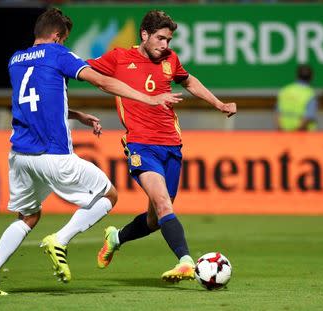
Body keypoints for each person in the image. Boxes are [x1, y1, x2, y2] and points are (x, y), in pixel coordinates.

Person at [0, 7, 181, 296]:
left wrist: (75, 114)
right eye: (65, 38)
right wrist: (149, 98)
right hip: (53, 153)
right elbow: (101, 80)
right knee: (108, 195)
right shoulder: (59, 54)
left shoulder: (16, 60)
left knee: (28, 217)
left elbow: (33, 101)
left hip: (20, 156)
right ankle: (60, 239)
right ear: (58, 36)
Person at [87, 10, 237, 283]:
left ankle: (116, 237)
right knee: (164, 205)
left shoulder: (171, 59)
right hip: (141, 146)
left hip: (172, 146)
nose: (165, 45)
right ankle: (186, 261)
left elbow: (188, 80)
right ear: (144, 35)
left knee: (156, 219)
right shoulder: (119, 57)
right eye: (160, 38)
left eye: (168, 39)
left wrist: (219, 104)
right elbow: (81, 70)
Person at [276, 64, 318, 131]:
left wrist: (281, 130)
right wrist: (296, 132)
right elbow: (308, 116)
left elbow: (278, 114)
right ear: (312, 77)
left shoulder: (285, 90)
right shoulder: (310, 94)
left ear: (296, 76)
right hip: (303, 134)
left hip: (284, 133)